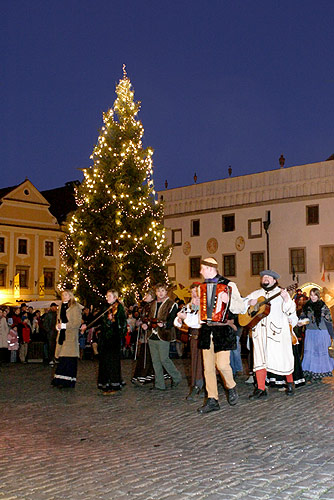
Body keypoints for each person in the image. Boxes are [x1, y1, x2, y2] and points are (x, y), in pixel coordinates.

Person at [197, 257, 246, 414]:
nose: (200, 272)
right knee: (208, 368)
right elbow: (201, 312)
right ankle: (212, 399)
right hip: (206, 329)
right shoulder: (202, 287)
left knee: (222, 364)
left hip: (223, 329)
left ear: (211, 268)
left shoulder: (229, 285)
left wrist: (229, 300)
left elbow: (241, 307)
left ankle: (231, 386)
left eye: (202, 269)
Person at [245, 270, 296, 400]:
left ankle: (290, 383)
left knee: (283, 358)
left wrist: (286, 298)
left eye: (269, 277)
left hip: (277, 333)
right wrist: (249, 302)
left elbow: (290, 310)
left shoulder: (281, 293)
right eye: (264, 277)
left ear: (275, 280)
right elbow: (242, 304)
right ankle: (261, 389)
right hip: (260, 334)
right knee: (259, 361)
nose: (265, 279)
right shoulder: (256, 294)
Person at [88, 289, 127, 395]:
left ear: (115, 297)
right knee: (104, 361)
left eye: (109, 296)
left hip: (114, 339)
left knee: (112, 362)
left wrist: (113, 321)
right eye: (107, 296)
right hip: (105, 338)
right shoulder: (106, 308)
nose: (107, 298)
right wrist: (87, 325)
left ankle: (114, 384)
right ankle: (105, 384)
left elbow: (122, 324)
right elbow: (99, 318)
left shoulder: (119, 308)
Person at [144, 283, 182, 391]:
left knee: (164, 359)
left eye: (162, 291)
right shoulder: (153, 304)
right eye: (158, 291)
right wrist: (146, 325)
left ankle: (176, 377)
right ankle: (159, 384)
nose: (160, 293)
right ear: (155, 292)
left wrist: (164, 324)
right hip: (152, 335)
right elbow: (149, 318)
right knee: (155, 361)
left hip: (164, 335)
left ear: (166, 292)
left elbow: (172, 321)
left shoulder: (172, 304)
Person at [174, 282, 204, 401]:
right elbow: (177, 321)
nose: (194, 295)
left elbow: (197, 322)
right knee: (194, 363)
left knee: (203, 363)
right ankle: (196, 385)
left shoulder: (204, 306)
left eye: (196, 292)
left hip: (203, 337)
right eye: (192, 292)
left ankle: (203, 386)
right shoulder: (188, 306)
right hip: (193, 338)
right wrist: (180, 321)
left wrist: (185, 318)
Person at [299, 288, 334, 382]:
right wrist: (300, 322)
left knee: (319, 354)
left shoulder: (323, 306)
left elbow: (329, 322)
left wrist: (332, 335)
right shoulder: (306, 306)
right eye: (311, 295)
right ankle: (309, 373)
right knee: (309, 353)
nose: (312, 297)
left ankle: (319, 374)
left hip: (321, 333)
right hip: (310, 332)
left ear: (318, 296)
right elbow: (302, 317)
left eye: (315, 295)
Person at [51, 290, 82, 389]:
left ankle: (67, 381)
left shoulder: (75, 307)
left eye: (66, 295)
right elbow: (59, 319)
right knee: (62, 358)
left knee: (68, 358)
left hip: (70, 335)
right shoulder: (60, 307)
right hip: (62, 335)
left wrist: (64, 325)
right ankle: (60, 380)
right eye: (63, 295)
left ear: (70, 296)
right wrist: (58, 326)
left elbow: (77, 323)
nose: (64, 296)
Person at [131, 289, 156, 386]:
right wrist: (140, 322)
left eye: (147, 295)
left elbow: (152, 318)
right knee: (145, 354)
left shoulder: (153, 305)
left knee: (148, 355)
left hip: (150, 333)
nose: (145, 296)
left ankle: (146, 375)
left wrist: (146, 323)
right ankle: (143, 375)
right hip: (144, 334)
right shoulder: (146, 306)